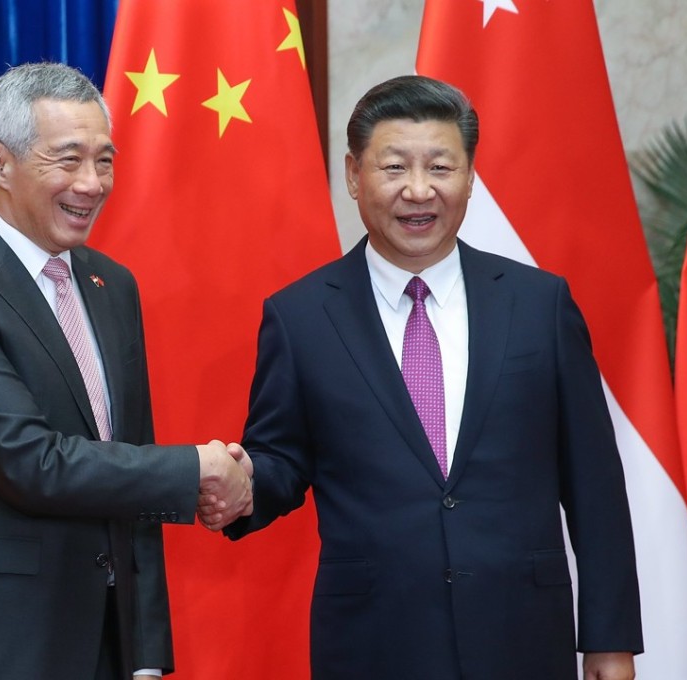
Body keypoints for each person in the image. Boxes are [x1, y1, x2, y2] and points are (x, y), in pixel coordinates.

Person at [211, 75, 643, 679]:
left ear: (469, 177)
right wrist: (245, 482)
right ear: (354, 175)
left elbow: (595, 483)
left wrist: (610, 638)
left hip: (523, 636)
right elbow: (281, 458)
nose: (419, 191)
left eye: (441, 166)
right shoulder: (301, 316)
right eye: (394, 168)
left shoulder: (539, 304)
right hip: (374, 642)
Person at [0, 62, 251, 680]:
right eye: (68, 159)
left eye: (104, 160)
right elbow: (29, 460)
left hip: (106, 639)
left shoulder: (111, 284)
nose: (92, 182)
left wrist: (146, 653)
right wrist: (198, 466)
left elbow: (128, 463)